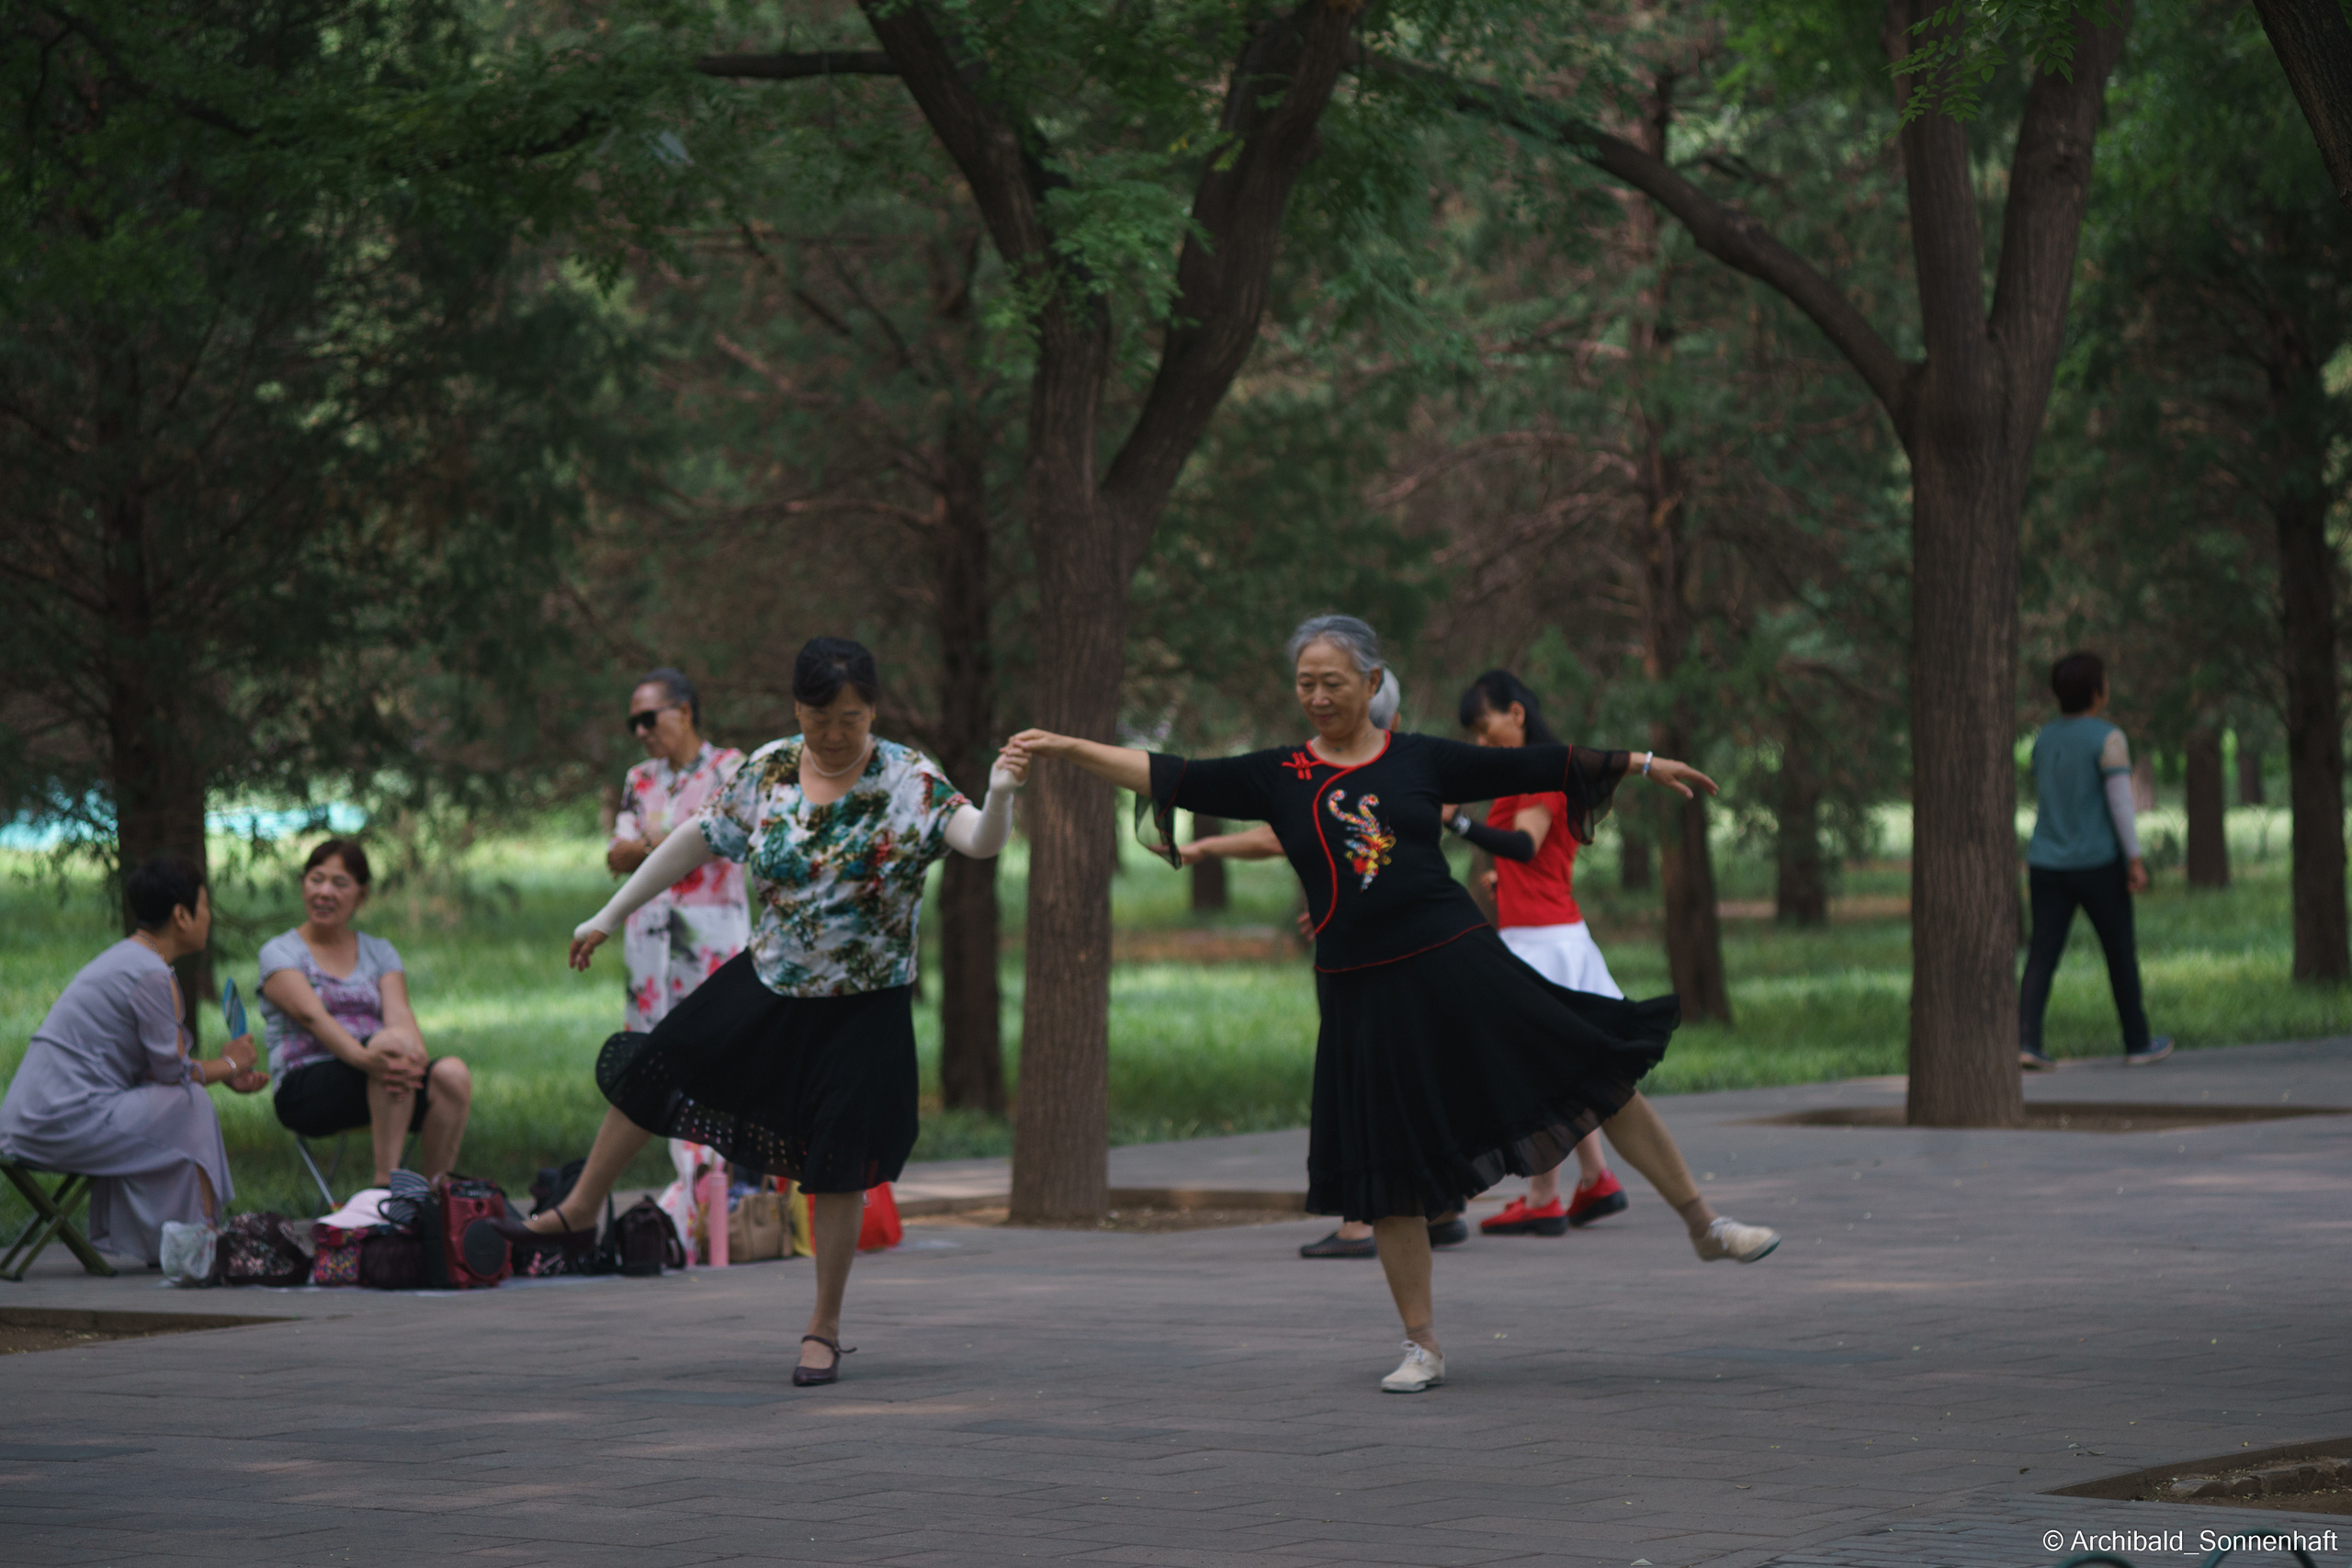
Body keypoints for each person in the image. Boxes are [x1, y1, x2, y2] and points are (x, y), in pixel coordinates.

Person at [1012, 614, 1781, 1394]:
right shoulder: (1279, 774)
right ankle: (1423, 1345)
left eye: (1333, 682)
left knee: (1595, 1065)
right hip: (1362, 990)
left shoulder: (1420, 760)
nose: (1316, 696)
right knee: (1389, 1167)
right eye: (1305, 683)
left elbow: (1541, 763)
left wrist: (1644, 762)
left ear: (1373, 684)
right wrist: (1068, 748)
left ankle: (1704, 1224)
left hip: (1459, 963)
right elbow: (1168, 772)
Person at [508, 637, 1027, 1387]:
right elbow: (694, 840)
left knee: (838, 1163)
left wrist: (1003, 791)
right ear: (797, 708)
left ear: (872, 710)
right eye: (820, 717)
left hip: (864, 1002)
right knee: (656, 1064)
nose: (835, 734)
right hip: (770, 978)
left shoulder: (908, 777)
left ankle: (824, 1328)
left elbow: (978, 841)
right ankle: (583, 1206)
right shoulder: (773, 768)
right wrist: (609, 914)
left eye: (850, 717)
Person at [1185, 671, 1478, 1260]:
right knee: (1415, 1075)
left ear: (1374, 709)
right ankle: (1440, 1206)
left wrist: (1202, 849)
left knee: (1361, 1081)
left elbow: (1294, 839)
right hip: (1401, 947)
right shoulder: (1414, 768)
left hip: (1371, 960)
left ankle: (1360, 1222)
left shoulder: (1378, 768)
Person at [0, 855, 264, 1264]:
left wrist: (223, 1071)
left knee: (179, 1104)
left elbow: (156, 1072)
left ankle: (187, 1240)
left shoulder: (131, 959)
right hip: (57, 1121)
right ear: (181, 914)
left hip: (43, 1117)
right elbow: (172, 1074)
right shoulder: (151, 973)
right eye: (205, 906)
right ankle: (201, 1242)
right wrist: (230, 1064)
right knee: (189, 1105)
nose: (209, 917)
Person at [1447, 669, 1631, 1235]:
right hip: (1544, 928)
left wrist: (1455, 820)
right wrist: (1506, 882)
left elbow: (1525, 844)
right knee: (1562, 1069)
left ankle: (1543, 1195)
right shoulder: (1532, 773)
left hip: (1542, 940)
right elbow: (1540, 856)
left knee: (1536, 1072)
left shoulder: (1542, 774)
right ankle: (1596, 1180)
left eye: (1485, 727)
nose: (1481, 742)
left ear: (1516, 715)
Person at [605, 667, 751, 1245]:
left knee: (710, 1058)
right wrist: (671, 844)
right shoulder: (640, 778)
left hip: (711, 933)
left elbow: (722, 838)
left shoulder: (730, 768)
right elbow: (618, 857)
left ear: (685, 711)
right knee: (656, 1057)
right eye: (632, 721)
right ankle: (691, 1193)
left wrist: (650, 846)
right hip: (650, 938)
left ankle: (704, 1193)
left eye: (650, 717)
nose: (640, 731)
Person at [260, 840, 474, 1186]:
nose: (325, 892)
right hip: (308, 1084)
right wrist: (370, 1058)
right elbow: (315, 1018)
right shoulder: (280, 953)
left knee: (453, 1074)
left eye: (340, 883)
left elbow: (400, 1014)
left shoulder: (379, 952)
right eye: (317, 879)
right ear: (303, 885)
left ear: (362, 895)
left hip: (381, 1072)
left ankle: (438, 1195)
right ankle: (385, 1188)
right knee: (391, 1048)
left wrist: (415, 1060)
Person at [2018, 651, 2173, 1070]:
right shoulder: (2109, 739)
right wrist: (2135, 860)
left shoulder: (2044, 739)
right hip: (2098, 863)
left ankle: (2026, 1041)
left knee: (2042, 953)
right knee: (2119, 952)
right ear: (2096, 691)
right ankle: (2138, 1042)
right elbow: (2121, 806)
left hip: (2046, 862)